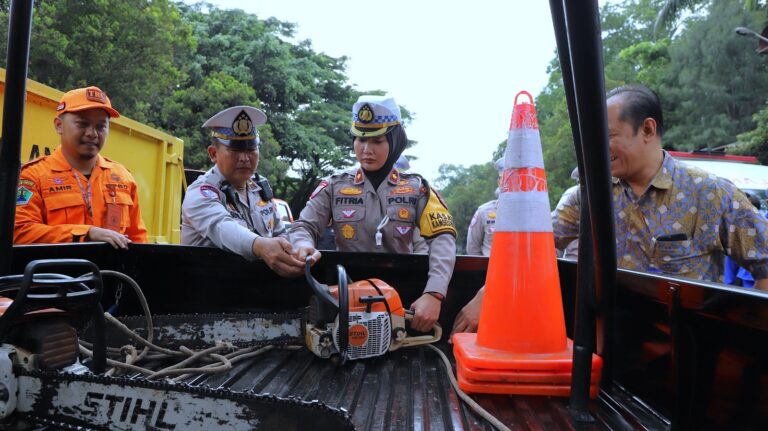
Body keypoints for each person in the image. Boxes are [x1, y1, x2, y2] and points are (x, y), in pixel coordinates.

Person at [452, 83, 768, 335]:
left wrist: (742, 348)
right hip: (608, 346)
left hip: (684, 358)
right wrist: (488, 296)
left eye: (610, 136)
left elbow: (765, 265)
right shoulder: (587, 197)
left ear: (647, 130)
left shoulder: (711, 194)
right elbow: (534, 247)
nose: (599, 147)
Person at [290, 95, 457, 332]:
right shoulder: (333, 186)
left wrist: (434, 293)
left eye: (377, 141)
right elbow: (303, 226)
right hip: (346, 301)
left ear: (395, 141)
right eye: (360, 139)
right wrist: (302, 244)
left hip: (403, 302)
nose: (367, 150)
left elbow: (443, 238)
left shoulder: (417, 189)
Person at [14, 86, 147, 249]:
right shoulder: (33, 176)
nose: (92, 133)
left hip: (110, 274)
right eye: (83, 124)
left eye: (101, 126)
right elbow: (20, 232)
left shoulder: (123, 178)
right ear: (58, 126)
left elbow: (138, 239)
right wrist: (86, 233)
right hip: (55, 274)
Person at [181, 106, 304, 277]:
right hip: (209, 293)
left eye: (251, 149)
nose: (245, 158)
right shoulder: (200, 193)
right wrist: (260, 246)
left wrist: (297, 249)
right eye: (235, 150)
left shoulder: (259, 189)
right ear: (213, 153)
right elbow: (221, 226)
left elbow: (280, 233)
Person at [465, 158, 503, 256]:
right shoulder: (484, 212)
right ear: (499, 182)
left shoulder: (534, 212)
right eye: (504, 178)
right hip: (490, 270)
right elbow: (473, 250)